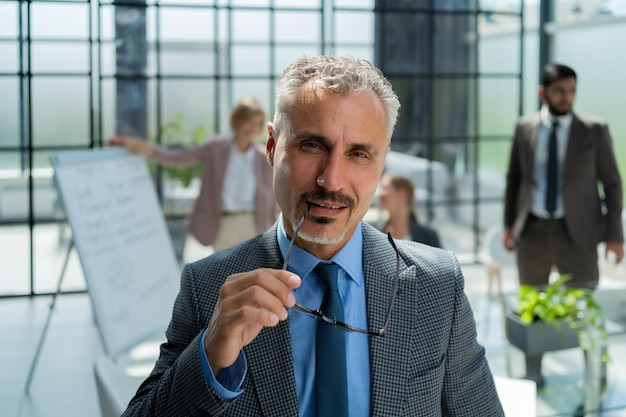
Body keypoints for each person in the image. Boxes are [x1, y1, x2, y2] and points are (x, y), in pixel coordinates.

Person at [122, 56, 503, 416]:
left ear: (382, 163)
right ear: (272, 147)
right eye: (312, 146)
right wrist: (209, 356)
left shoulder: (437, 286)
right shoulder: (206, 287)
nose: (331, 181)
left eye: (358, 154)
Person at [502, 62, 624, 386]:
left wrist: (615, 236)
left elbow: (612, 183)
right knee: (533, 302)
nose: (566, 97)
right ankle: (533, 372)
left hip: (579, 233)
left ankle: (595, 370)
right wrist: (508, 226)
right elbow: (514, 179)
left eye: (571, 91)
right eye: (559, 91)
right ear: (543, 92)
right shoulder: (525, 127)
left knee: (585, 303)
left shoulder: (594, 130)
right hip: (534, 230)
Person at [109, 97, 277, 252]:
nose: (252, 128)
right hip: (222, 224)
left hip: (254, 225)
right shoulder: (216, 148)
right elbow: (176, 157)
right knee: (222, 278)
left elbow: (275, 195)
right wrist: (136, 145)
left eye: (257, 123)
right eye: (248, 122)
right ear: (237, 121)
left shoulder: (264, 157)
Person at [375, 172, 442, 247]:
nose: (380, 194)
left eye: (385, 188)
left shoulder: (428, 236)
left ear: (402, 194)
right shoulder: (376, 233)